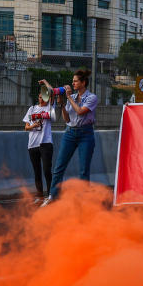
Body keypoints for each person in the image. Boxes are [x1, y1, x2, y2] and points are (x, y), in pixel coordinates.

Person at [40, 69, 97, 205]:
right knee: (59, 166)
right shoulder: (73, 97)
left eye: (75, 81)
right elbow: (66, 119)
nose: (73, 83)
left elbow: (80, 112)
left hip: (86, 134)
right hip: (70, 132)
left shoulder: (91, 98)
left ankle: (84, 199)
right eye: (73, 81)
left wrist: (69, 97)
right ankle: (53, 196)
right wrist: (62, 103)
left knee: (84, 169)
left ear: (83, 83)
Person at [22, 88, 56, 202]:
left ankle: (50, 194)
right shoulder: (32, 109)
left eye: (44, 97)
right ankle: (39, 195)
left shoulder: (50, 108)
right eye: (40, 97)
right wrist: (33, 126)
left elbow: (52, 92)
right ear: (38, 97)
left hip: (45, 143)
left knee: (47, 169)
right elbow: (26, 127)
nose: (42, 99)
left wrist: (45, 84)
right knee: (37, 171)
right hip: (32, 144)